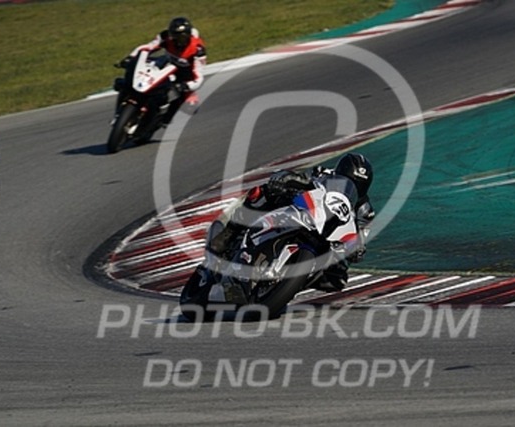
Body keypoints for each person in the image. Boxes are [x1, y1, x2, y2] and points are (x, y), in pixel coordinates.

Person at [210, 152, 375, 292]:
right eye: (349, 179)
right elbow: (305, 178)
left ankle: (287, 285)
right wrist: (286, 179)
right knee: (261, 193)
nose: (353, 186)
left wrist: (358, 248)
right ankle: (230, 232)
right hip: (304, 208)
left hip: (329, 236)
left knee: (337, 280)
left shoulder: (365, 211)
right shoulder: (324, 173)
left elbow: (362, 235)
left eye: (359, 184)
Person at [114, 16, 207, 126]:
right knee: (129, 79)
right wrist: (130, 57)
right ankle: (119, 112)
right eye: (176, 37)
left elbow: (198, 77)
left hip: (186, 73)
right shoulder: (165, 36)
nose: (179, 41)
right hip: (167, 62)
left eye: (183, 37)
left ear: (189, 35)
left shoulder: (198, 50)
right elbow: (147, 47)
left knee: (190, 106)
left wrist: (185, 86)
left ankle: (164, 120)